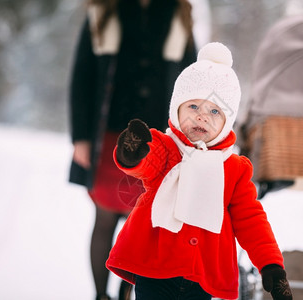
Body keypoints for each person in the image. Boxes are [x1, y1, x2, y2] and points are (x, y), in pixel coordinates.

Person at [105, 42, 293, 300]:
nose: (202, 117)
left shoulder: (234, 169)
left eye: (214, 111)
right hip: (156, 269)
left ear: (228, 123)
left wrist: (271, 263)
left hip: (202, 277)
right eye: (193, 107)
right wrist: (132, 153)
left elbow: (251, 219)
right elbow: (147, 162)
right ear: (176, 108)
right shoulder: (167, 147)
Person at [68, 1, 197, 299]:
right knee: (104, 219)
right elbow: (82, 77)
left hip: (156, 145)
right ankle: (101, 295)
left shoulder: (178, 13)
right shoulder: (102, 12)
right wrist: (81, 138)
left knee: (145, 226)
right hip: (110, 139)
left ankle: (126, 294)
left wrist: (188, 139)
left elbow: (192, 81)